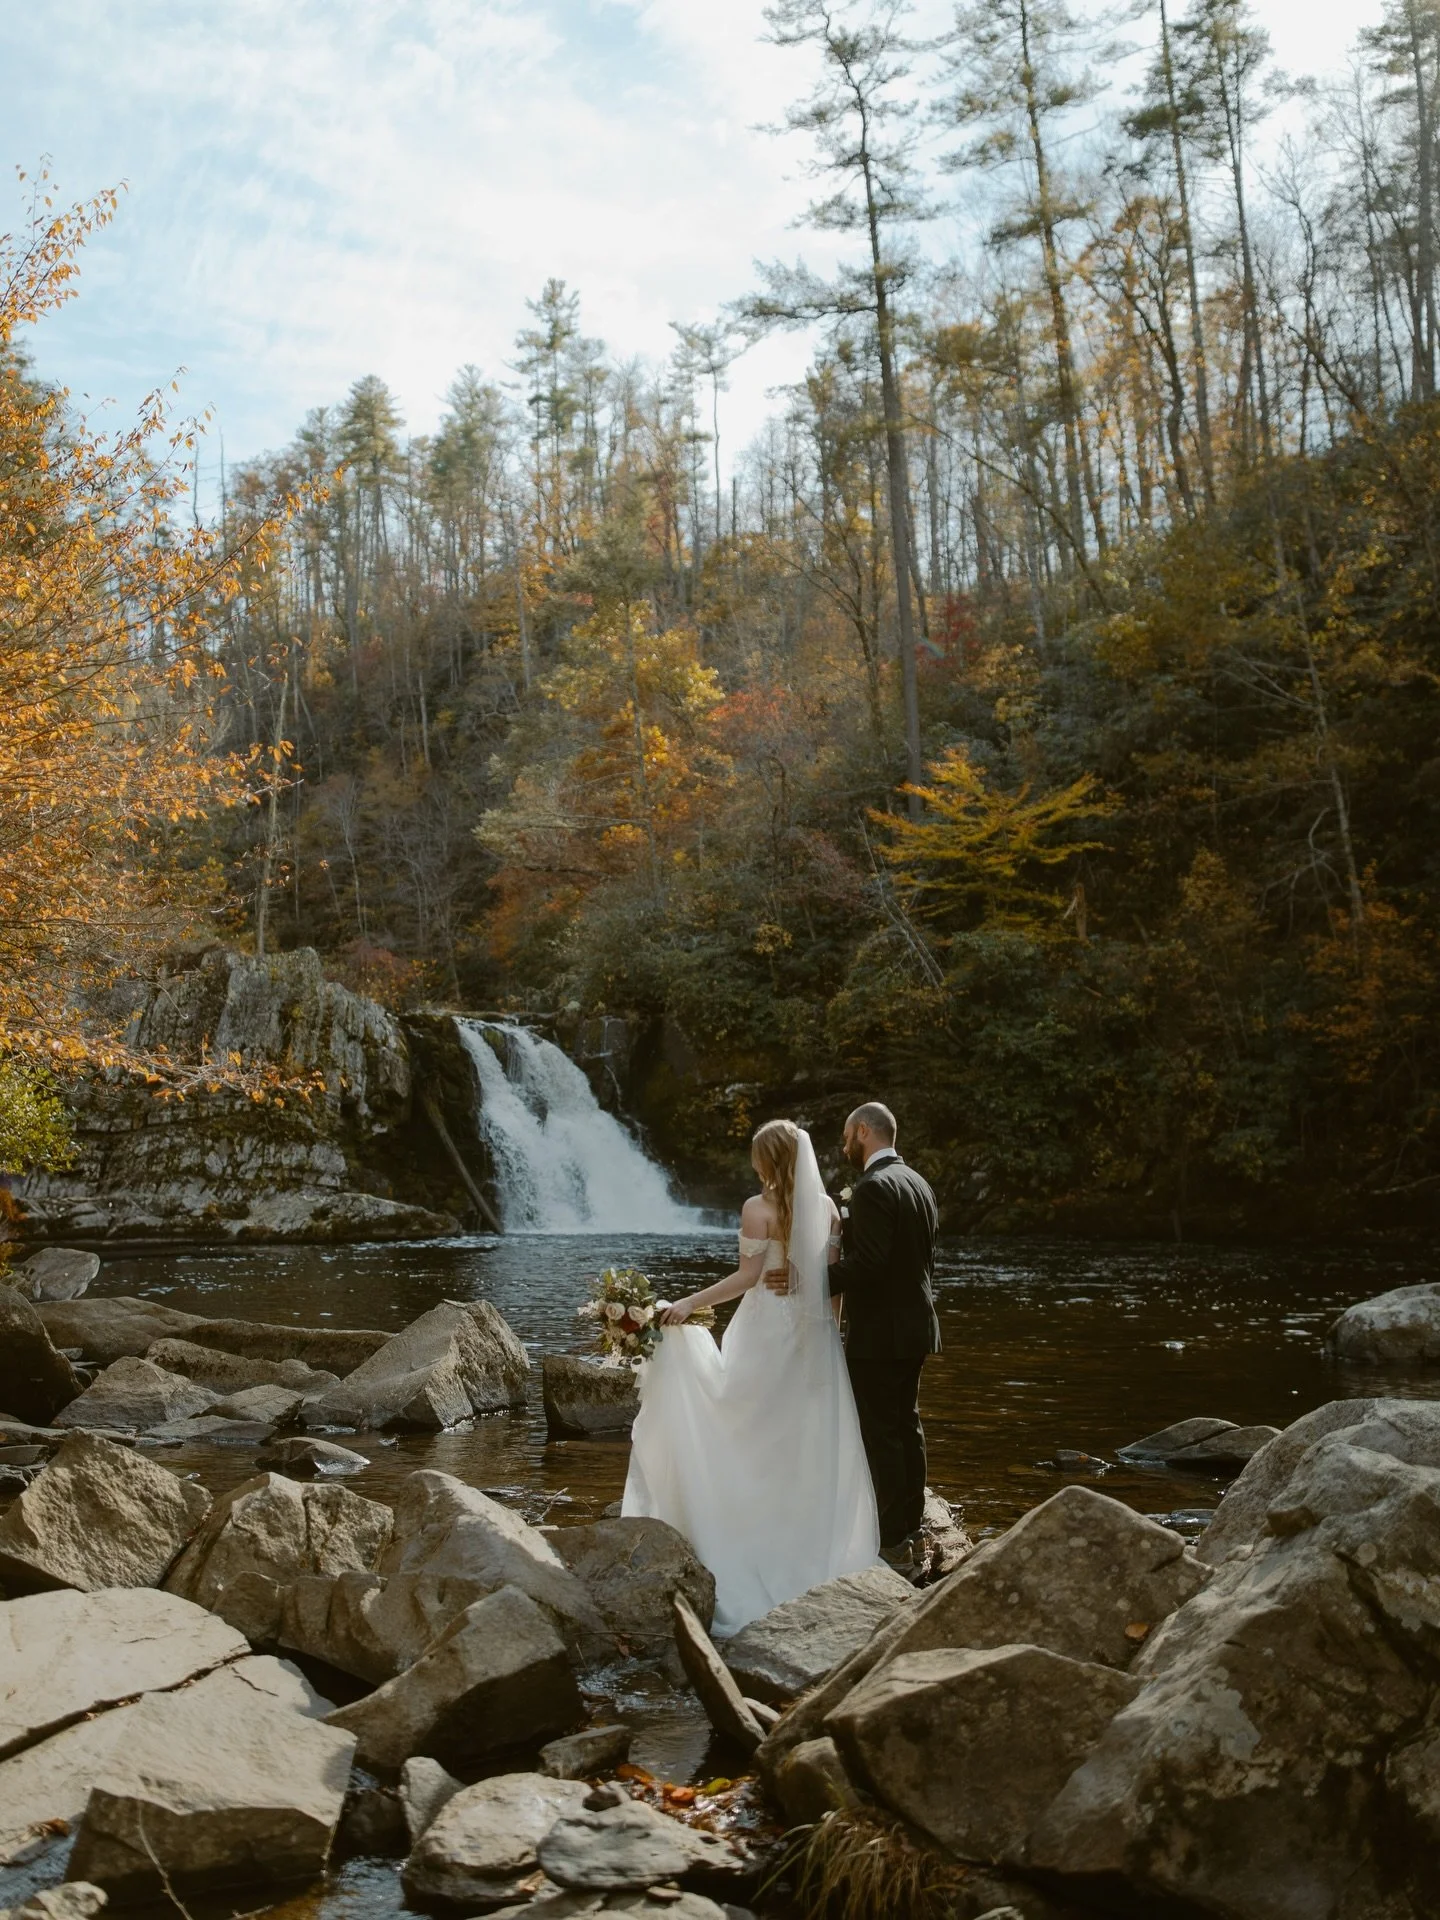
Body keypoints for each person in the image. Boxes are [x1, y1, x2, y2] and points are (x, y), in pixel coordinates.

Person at [621, 1119, 880, 1635]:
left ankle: (739, 1525)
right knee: (798, 1435)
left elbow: (747, 1277)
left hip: (764, 1332)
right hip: (812, 1336)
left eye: (757, 1157)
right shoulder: (829, 1208)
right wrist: (830, 1335)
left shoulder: (757, 1208)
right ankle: (799, 1538)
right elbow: (831, 1283)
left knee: (745, 1423)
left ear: (768, 1160)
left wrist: (688, 1303)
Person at [769, 1101, 939, 1575]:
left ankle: (892, 1540)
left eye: (847, 1136)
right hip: (917, 1325)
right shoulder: (918, 1183)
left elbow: (870, 1265)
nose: (844, 1145)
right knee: (906, 1426)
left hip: (881, 1330)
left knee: (880, 1432)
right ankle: (911, 1528)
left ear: (863, 1131)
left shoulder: (873, 1187)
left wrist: (807, 1282)